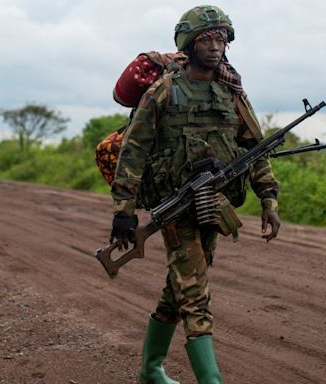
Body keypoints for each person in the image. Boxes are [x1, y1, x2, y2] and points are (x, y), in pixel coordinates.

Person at [110, 5, 280, 384]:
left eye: (222, 39)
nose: (216, 46)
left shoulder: (230, 91)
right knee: (196, 295)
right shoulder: (164, 91)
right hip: (175, 209)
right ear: (190, 43)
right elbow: (132, 153)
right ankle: (211, 381)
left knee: (181, 288)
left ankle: (151, 370)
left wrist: (268, 198)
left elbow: (255, 149)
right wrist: (124, 212)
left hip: (212, 207)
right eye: (208, 39)